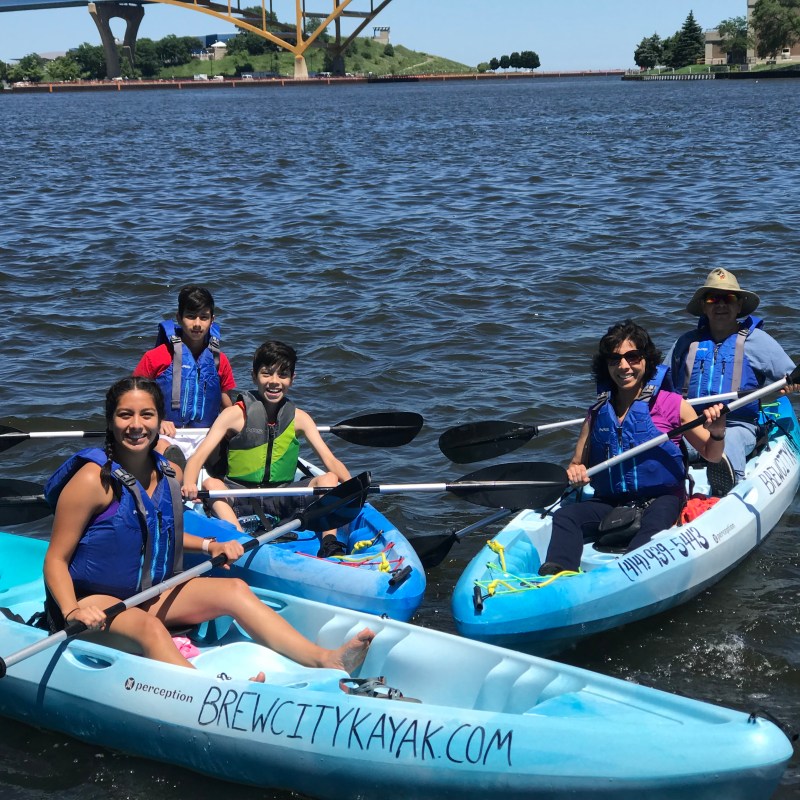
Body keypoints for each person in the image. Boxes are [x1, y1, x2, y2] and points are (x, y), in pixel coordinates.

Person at [42, 376, 373, 678]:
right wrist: (73, 610)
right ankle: (214, 691)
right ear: (110, 421)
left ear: (160, 420)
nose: (136, 425)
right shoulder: (91, 480)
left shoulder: (167, 472)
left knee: (235, 591)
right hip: (92, 604)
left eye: (146, 415)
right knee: (150, 630)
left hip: (145, 595)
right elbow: (55, 559)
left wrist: (208, 546)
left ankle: (325, 659)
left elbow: (159, 534)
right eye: (125, 415)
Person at [539, 320, 726, 576]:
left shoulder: (673, 405)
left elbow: (711, 455)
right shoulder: (597, 413)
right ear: (606, 366)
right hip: (612, 500)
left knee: (653, 525)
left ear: (646, 360)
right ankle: (558, 573)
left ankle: (625, 575)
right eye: (615, 359)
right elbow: (576, 463)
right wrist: (576, 472)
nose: (624, 366)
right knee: (566, 517)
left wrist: (716, 432)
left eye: (632, 356)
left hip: (662, 498)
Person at [182, 341, 352, 558]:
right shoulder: (234, 415)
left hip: (283, 495)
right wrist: (189, 483)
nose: (274, 382)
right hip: (240, 496)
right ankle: (242, 540)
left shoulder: (300, 418)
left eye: (282, 375)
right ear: (254, 376)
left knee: (328, 479)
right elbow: (197, 458)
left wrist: (352, 487)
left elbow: (331, 461)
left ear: (292, 379)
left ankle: (330, 542)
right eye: (266, 374)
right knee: (211, 483)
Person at [667, 268, 797, 496]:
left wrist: (791, 385)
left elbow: (789, 375)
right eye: (712, 299)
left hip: (738, 425)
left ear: (738, 306)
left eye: (728, 299)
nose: (720, 305)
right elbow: (662, 386)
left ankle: (725, 493)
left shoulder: (758, 341)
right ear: (704, 307)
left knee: (730, 441)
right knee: (664, 446)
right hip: (692, 426)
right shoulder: (685, 343)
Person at [133, 285, 237, 467]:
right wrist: (157, 421)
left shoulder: (220, 361)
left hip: (206, 436)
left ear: (212, 320)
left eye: (204, 317)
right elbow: (133, 398)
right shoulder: (155, 357)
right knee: (166, 453)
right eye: (190, 316)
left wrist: (239, 428)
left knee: (223, 464)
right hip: (166, 435)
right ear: (179, 318)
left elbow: (227, 405)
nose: (197, 324)